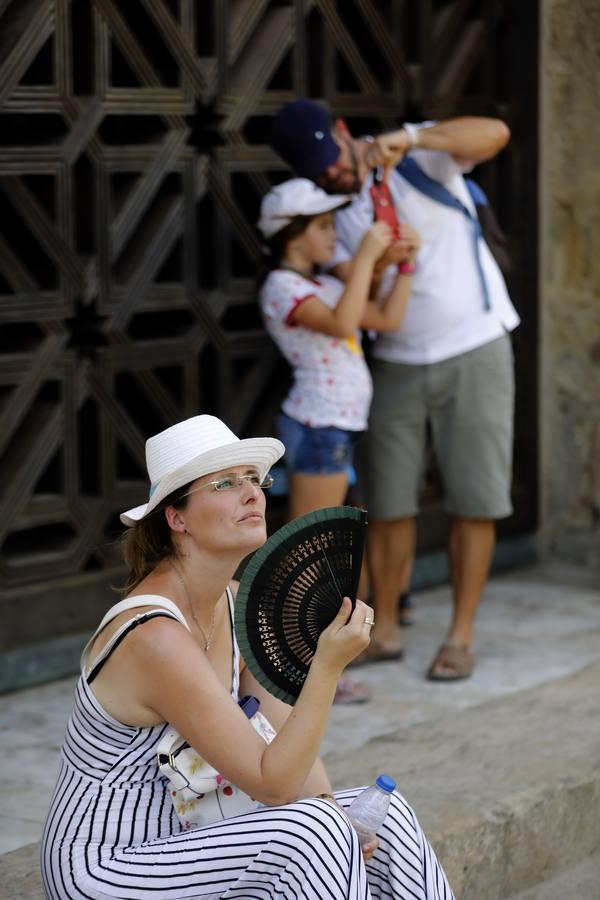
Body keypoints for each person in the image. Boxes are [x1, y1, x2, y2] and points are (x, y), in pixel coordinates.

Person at [41, 414, 455, 899]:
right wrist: (326, 667)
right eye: (225, 483)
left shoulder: (234, 603)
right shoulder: (154, 635)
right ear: (177, 518)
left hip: (190, 840)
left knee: (385, 819)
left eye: (255, 480)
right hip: (110, 864)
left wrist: (340, 818)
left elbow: (285, 746)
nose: (252, 493)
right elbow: (271, 784)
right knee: (315, 829)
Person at [271, 100, 519, 679]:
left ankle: (460, 635)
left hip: (475, 344)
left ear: (341, 131)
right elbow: (352, 291)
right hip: (397, 361)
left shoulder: (420, 160)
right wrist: (384, 264)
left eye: (332, 160)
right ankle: (382, 631)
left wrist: (412, 135)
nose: (332, 175)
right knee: (388, 503)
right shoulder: (329, 211)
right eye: (319, 173)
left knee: (474, 499)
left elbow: (495, 131)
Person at [257, 178, 419, 687]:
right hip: (319, 425)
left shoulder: (325, 284)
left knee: (328, 546)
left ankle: (307, 665)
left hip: (339, 428)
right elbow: (344, 322)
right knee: (312, 551)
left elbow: (386, 318)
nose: (334, 237)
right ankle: (293, 667)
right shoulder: (282, 287)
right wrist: (369, 257)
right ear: (293, 234)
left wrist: (403, 265)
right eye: (324, 226)